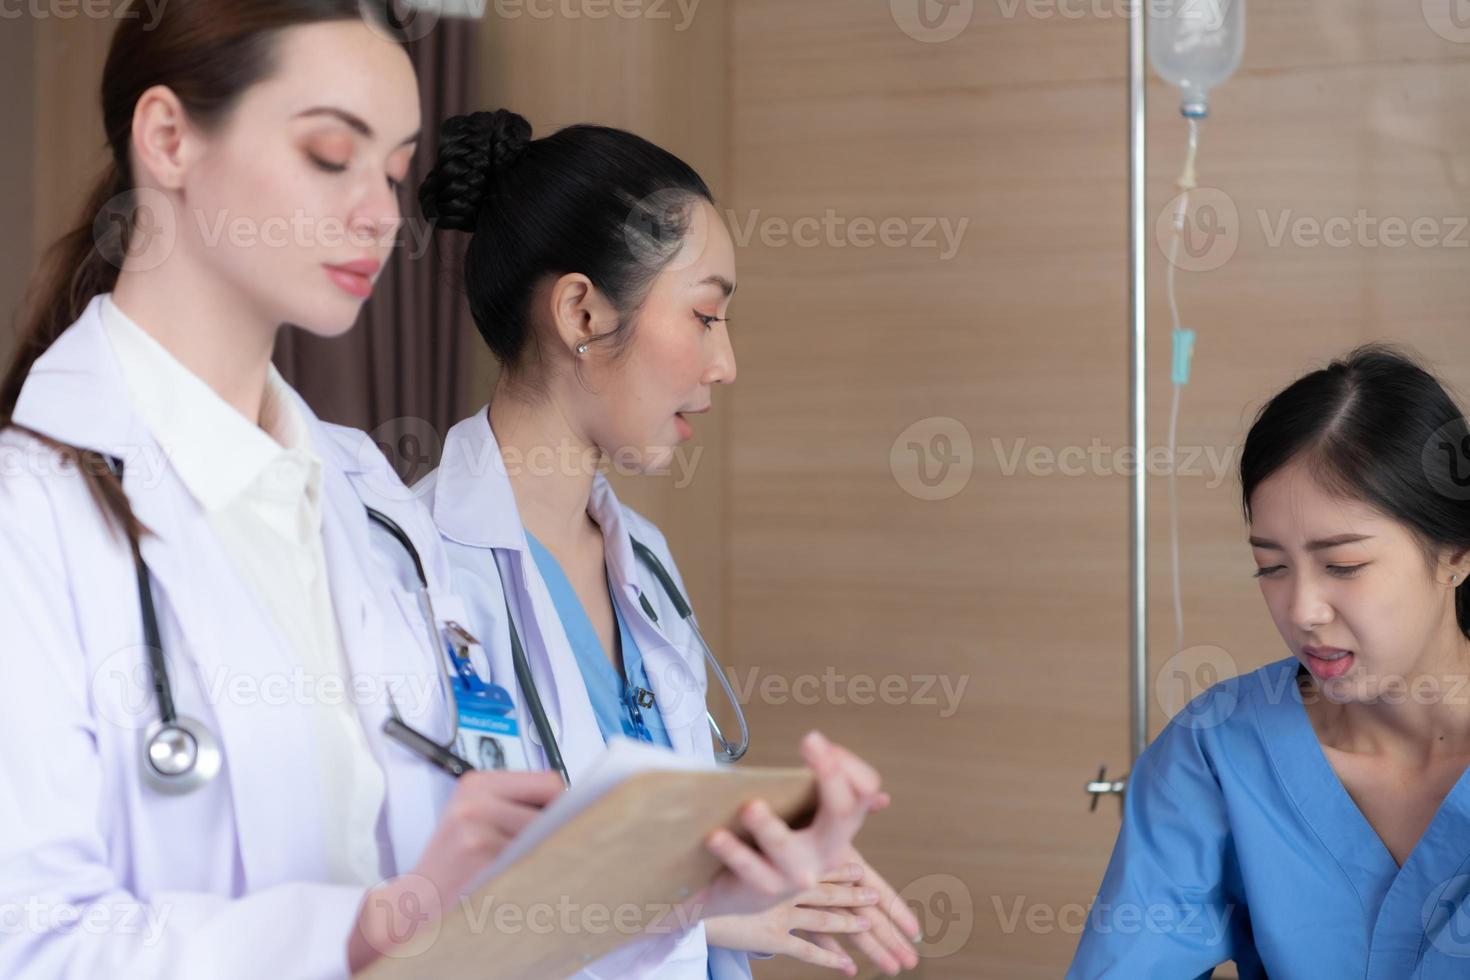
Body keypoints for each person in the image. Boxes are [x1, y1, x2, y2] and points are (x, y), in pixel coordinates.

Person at [0, 5, 884, 977]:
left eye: (391, 172)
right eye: (331, 154)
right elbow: (30, 937)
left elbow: (453, 917)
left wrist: (686, 893)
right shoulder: (30, 511)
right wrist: (356, 931)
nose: (382, 216)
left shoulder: (366, 501)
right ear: (168, 138)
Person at [411, 109, 923, 978]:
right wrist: (704, 914)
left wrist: (768, 851)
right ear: (580, 311)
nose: (726, 364)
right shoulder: (412, 568)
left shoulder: (639, 559)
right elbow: (415, 907)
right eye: (705, 316)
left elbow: (661, 830)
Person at [1068, 346, 1470, 978]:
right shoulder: (1218, 750)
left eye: (1343, 565)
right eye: (1272, 566)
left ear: (1454, 554)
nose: (1303, 610)